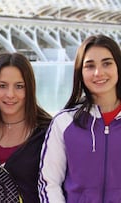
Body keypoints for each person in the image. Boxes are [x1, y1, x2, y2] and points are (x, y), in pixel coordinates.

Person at [38, 34, 121, 202]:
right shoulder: (64, 122)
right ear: (80, 72)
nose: (98, 72)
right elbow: (49, 183)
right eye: (90, 66)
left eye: (107, 63)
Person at [0, 52, 52, 202]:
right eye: (2, 86)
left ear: (29, 88)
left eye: (19, 86)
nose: (10, 94)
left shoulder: (47, 132)